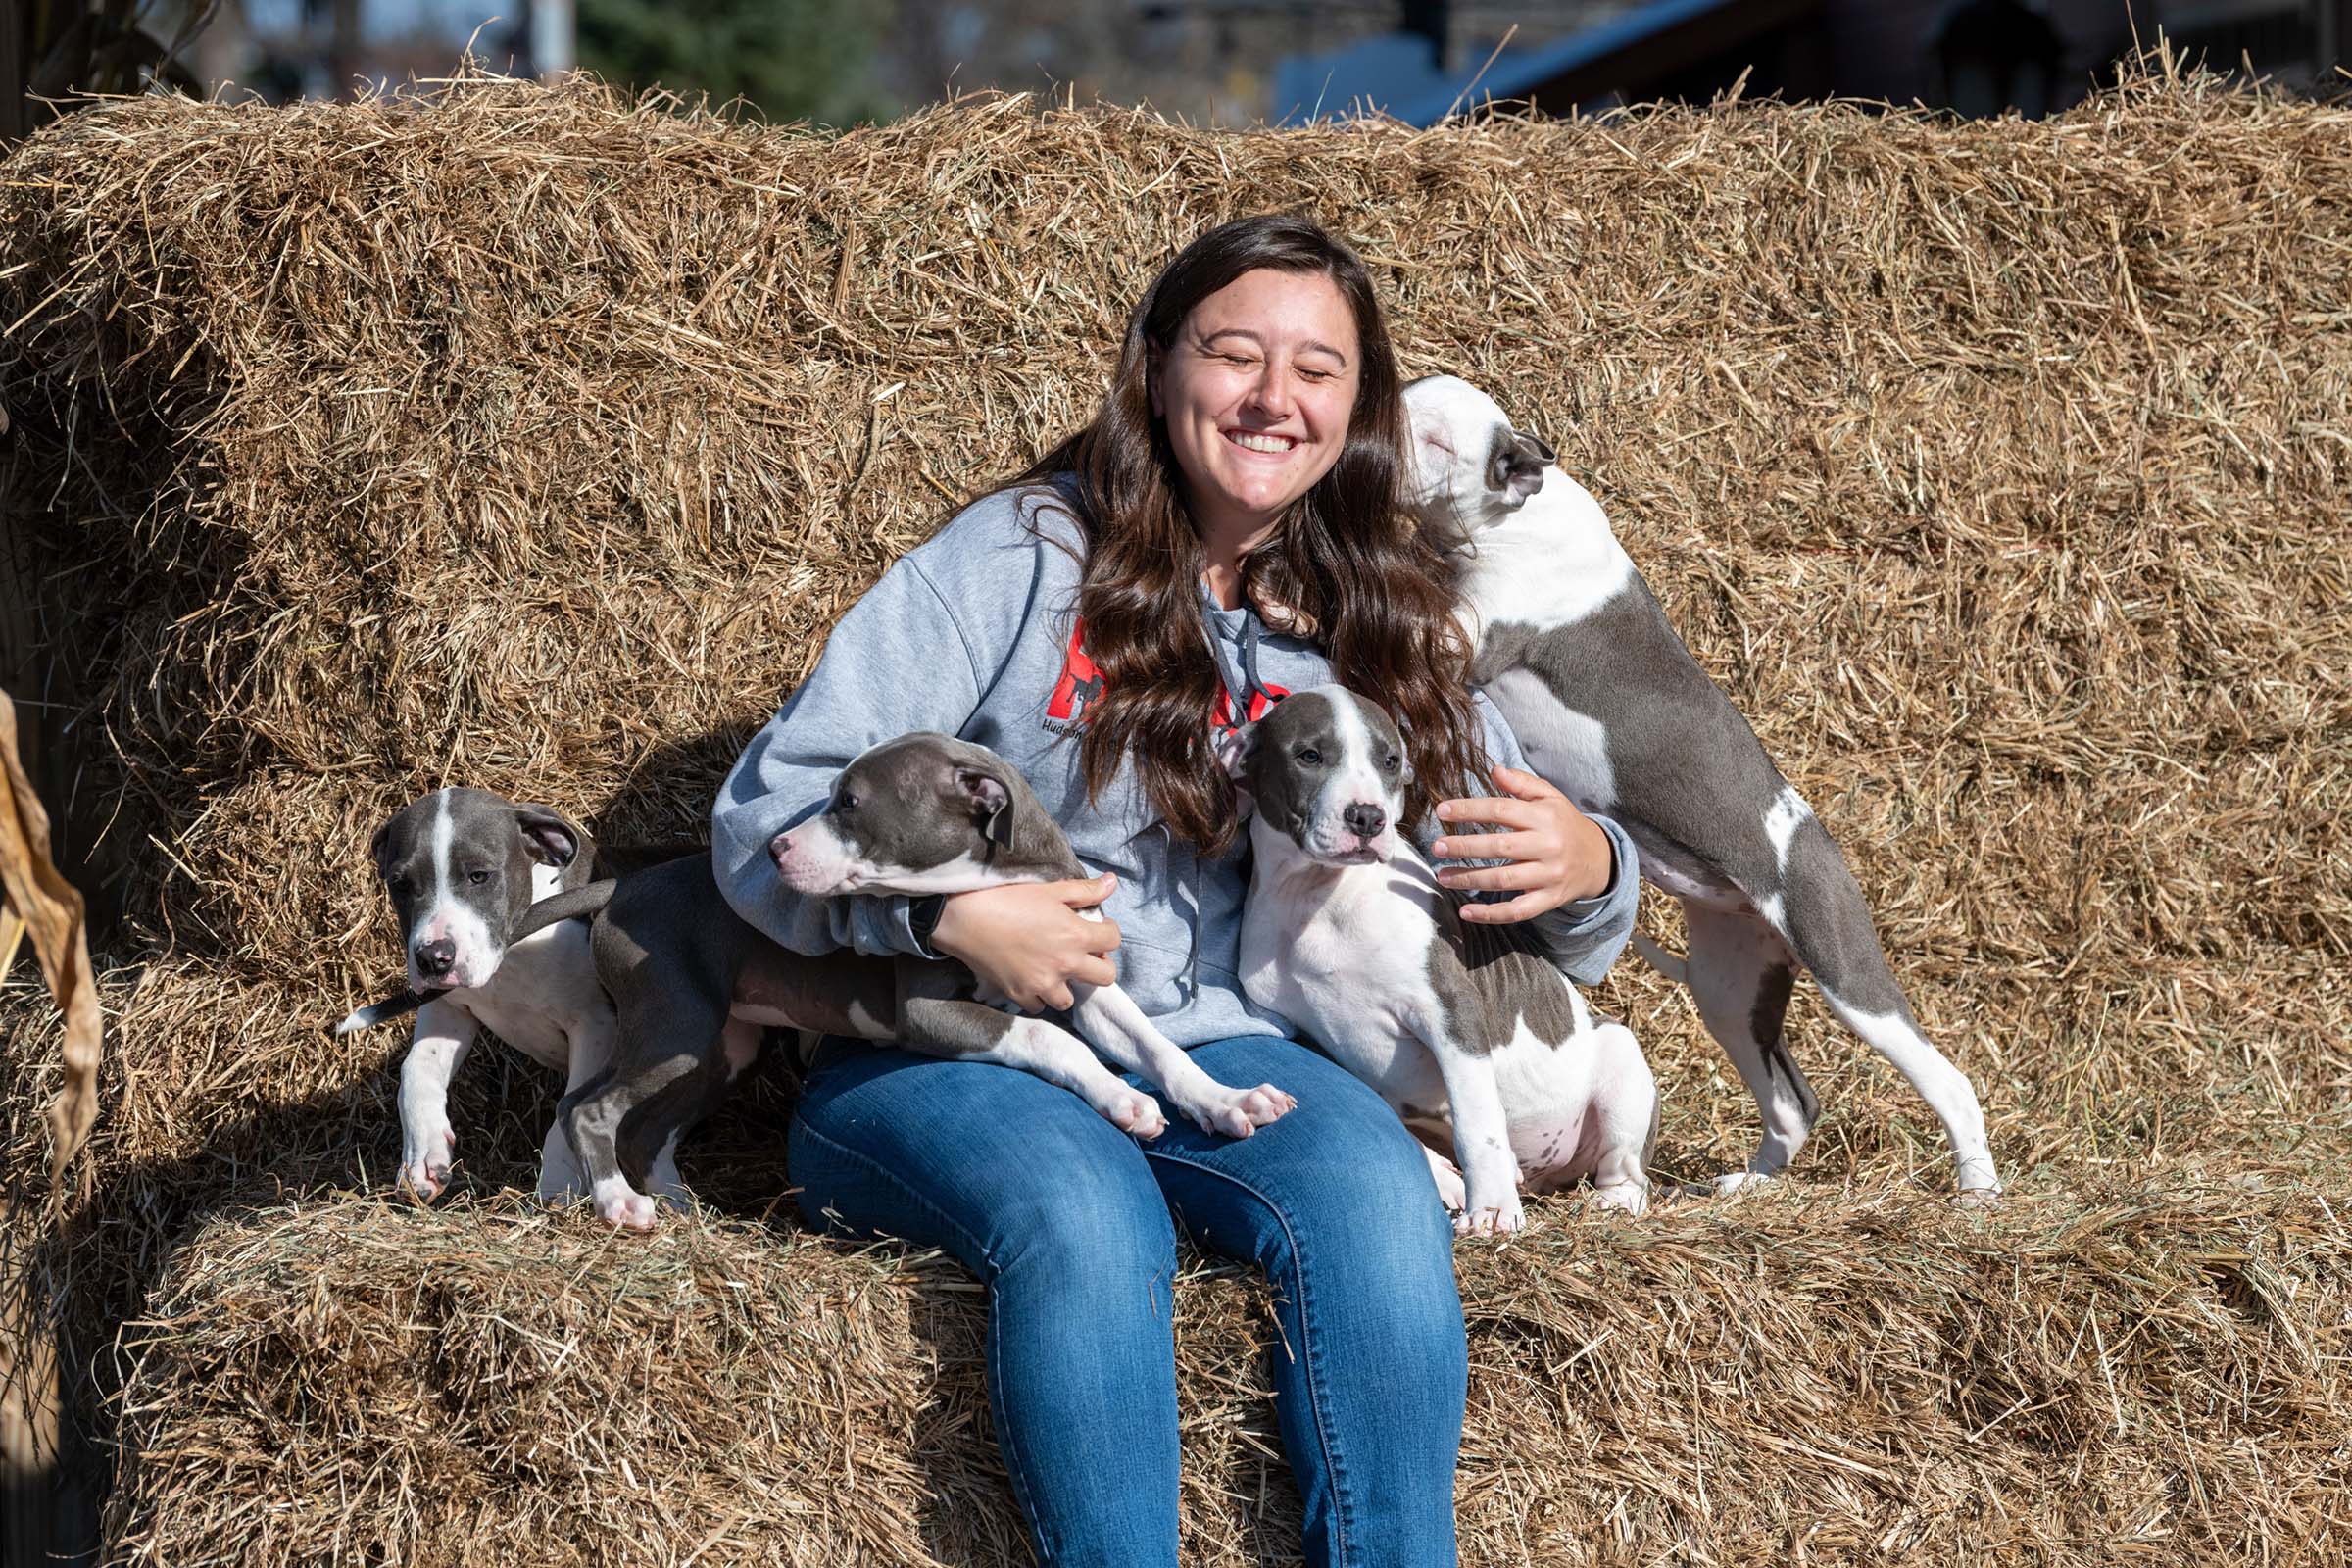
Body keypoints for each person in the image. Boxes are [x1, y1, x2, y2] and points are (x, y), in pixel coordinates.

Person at [711, 214, 1640, 1568]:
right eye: (1236, 353)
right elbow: (766, 813)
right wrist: (943, 915)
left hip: (1231, 1053)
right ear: (1157, 368)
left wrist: (1597, 868)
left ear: (1358, 408)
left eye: (1319, 369)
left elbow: (1563, 910)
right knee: (1089, 1219)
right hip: (951, 1046)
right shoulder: (1017, 559)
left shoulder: (1374, 608)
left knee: (1381, 1203)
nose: (1277, 396)